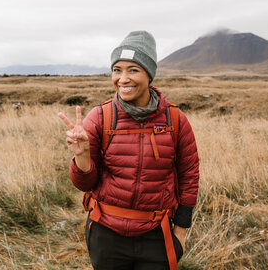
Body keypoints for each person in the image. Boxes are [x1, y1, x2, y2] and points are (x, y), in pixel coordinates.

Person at [58, 31, 199, 270]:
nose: (123, 79)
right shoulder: (101, 117)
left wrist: (181, 231)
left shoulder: (175, 119)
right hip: (106, 233)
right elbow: (85, 183)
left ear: (149, 74)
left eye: (133, 70)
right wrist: (81, 155)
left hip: (157, 232)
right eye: (117, 70)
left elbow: (189, 176)